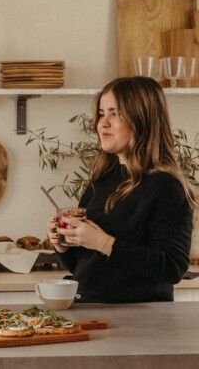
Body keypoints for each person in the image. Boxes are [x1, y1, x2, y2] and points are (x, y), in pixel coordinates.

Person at [46, 76, 198, 303]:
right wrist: (63, 244)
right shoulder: (102, 181)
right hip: (91, 313)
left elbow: (172, 268)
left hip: (139, 325)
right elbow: (85, 267)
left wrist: (103, 242)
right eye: (101, 114)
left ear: (142, 119)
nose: (102, 123)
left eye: (114, 114)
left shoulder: (167, 185)